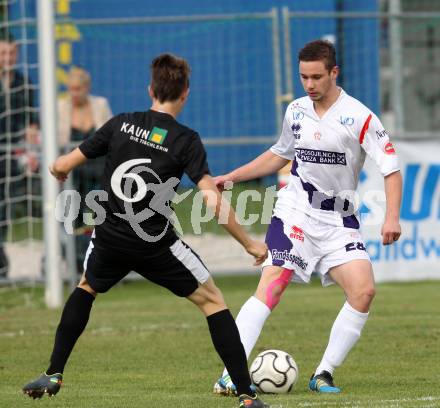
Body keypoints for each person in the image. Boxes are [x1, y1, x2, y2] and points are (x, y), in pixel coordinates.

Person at [22, 53, 269, 408]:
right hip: (154, 243)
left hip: (109, 237)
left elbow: (64, 162)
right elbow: (212, 201)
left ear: (150, 89)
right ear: (185, 94)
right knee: (213, 301)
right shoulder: (186, 140)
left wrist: (58, 168)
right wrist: (249, 243)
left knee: (87, 287)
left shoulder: (120, 123)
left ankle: (54, 372)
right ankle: (247, 396)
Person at [213, 39, 402, 395]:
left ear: (334, 72)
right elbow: (278, 154)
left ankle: (323, 374)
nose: (310, 84)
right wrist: (234, 176)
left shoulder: (360, 117)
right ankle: (230, 374)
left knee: (363, 292)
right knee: (273, 284)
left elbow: (391, 169)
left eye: (317, 76)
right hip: (296, 209)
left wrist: (392, 217)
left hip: (339, 220)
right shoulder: (297, 110)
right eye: (303, 77)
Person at [58, 66, 113, 271]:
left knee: (103, 214)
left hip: (99, 169)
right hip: (73, 172)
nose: (74, 93)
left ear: (87, 87)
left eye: (78, 89)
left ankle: (106, 260)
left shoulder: (100, 105)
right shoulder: (60, 107)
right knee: (72, 216)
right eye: (71, 89)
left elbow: (111, 136)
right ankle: (77, 261)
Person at [0, 35, 39, 278]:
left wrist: (31, 146)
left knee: (5, 209)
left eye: (11, 54)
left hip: (12, 156)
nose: (8, 59)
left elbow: (31, 121)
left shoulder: (24, 83)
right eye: (3, 54)